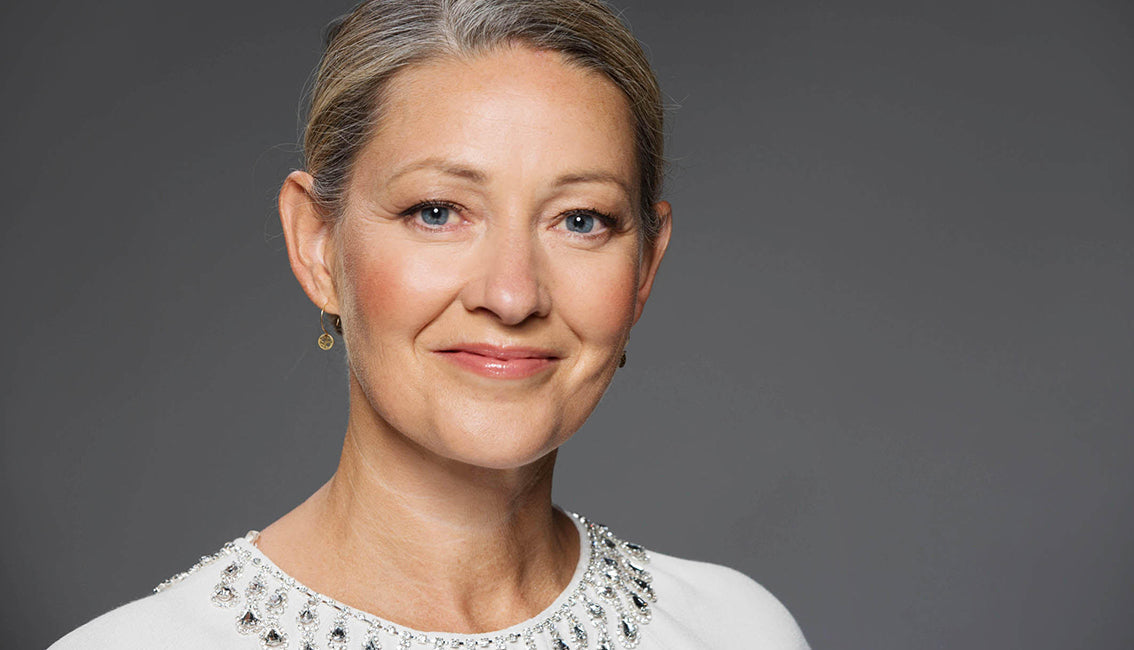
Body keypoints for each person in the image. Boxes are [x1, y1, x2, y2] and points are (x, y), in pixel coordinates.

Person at [49, 1, 808, 648]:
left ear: (644, 266)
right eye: (437, 212)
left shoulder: (739, 631)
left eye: (581, 220)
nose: (512, 295)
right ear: (317, 244)